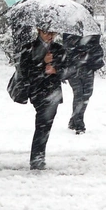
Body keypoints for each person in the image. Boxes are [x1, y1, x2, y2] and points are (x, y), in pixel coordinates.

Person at [17, 26, 66, 170]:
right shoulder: (29, 48)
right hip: (38, 91)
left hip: (53, 92)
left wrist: (56, 69)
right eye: (46, 32)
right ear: (39, 31)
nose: (50, 36)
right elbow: (25, 71)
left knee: (45, 126)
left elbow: (68, 70)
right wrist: (42, 62)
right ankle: (37, 158)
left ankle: (38, 156)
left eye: (53, 32)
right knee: (42, 125)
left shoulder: (59, 49)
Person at [63, 33, 104, 135]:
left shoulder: (93, 32)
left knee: (86, 94)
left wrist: (89, 54)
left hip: (88, 68)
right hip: (74, 68)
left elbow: (97, 49)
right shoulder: (70, 31)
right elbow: (67, 50)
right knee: (79, 94)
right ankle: (79, 124)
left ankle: (74, 120)